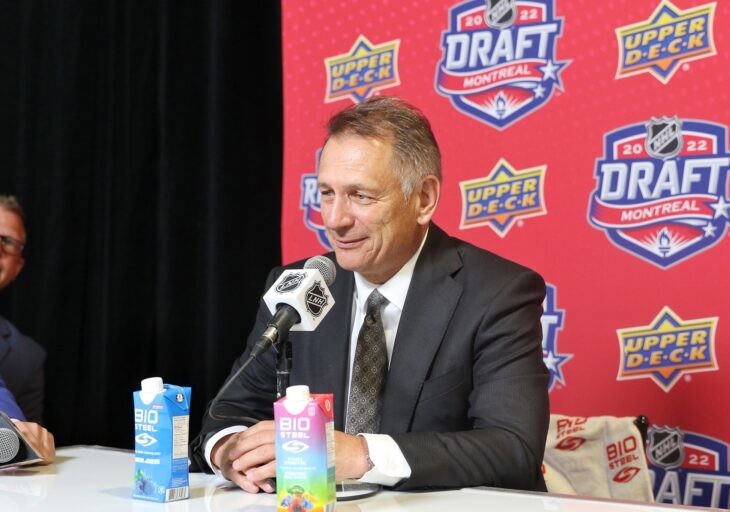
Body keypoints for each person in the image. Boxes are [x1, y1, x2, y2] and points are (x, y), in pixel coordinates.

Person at [190, 96, 549, 493]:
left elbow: (513, 448)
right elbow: (229, 411)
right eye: (327, 193)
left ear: (424, 199)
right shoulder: (298, 285)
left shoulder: (498, 293)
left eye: (360, 195)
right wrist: (230, 452)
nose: (335, 220)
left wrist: (361, 454)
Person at [0, 195, 55, 464]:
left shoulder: (28, 357)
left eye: (8, 241)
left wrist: (27, 441)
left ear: (18, 267)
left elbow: (22, 442)